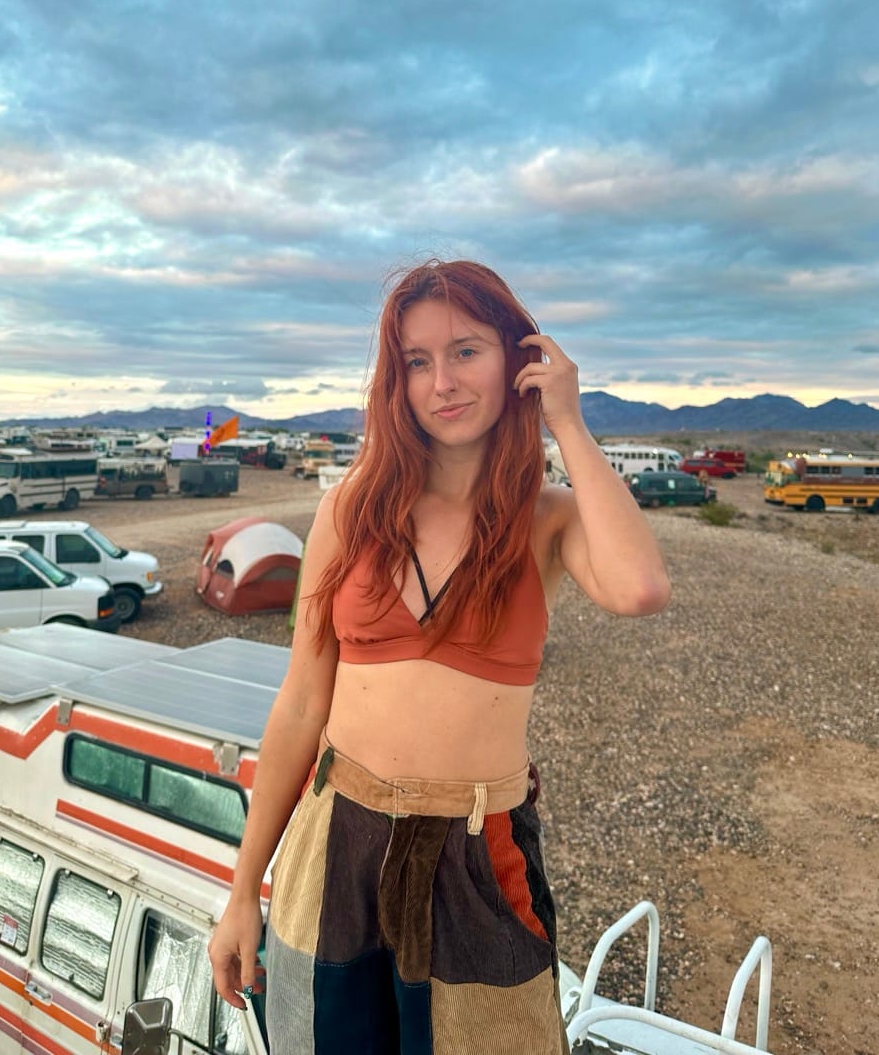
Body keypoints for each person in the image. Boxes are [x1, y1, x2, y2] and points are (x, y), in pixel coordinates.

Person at [209, 258, 671, 1054]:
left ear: (518, 357)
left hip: (475, 849)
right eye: (417, 362)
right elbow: (301, 705)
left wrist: (568, 420)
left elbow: (638, 589)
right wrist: (242, 888)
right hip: (336, 842)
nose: (442, 382)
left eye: (466, 350)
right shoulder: (350, 510)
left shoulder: (548, 519)